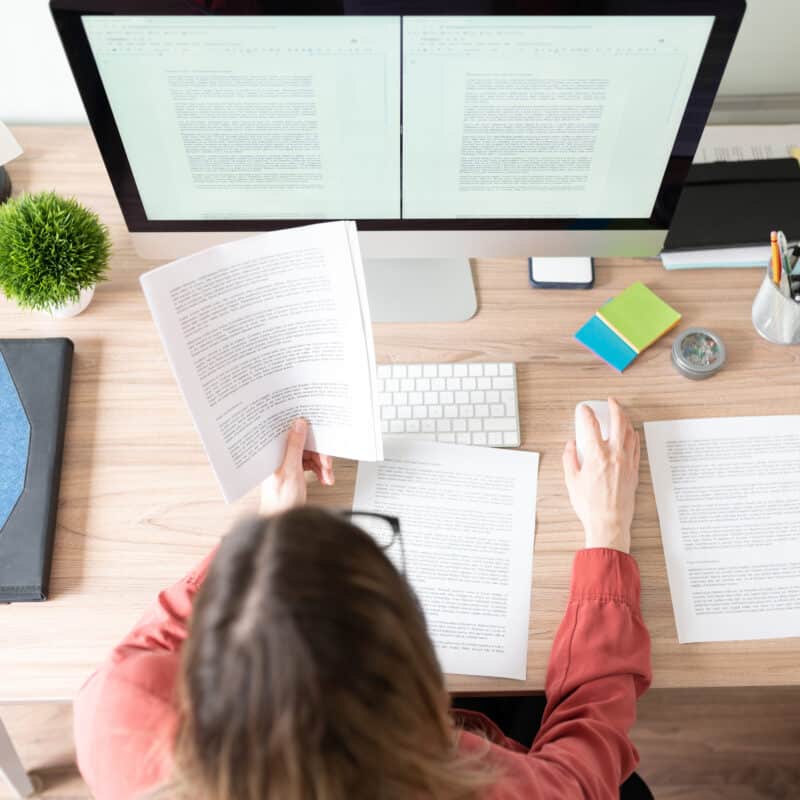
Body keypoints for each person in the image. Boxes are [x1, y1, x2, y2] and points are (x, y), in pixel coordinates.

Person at [73, 399, 651, 800]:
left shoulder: (120, 711)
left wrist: (271, 535)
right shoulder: (467, 785)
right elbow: (581, 776)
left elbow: (164, 633)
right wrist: (608, 534)